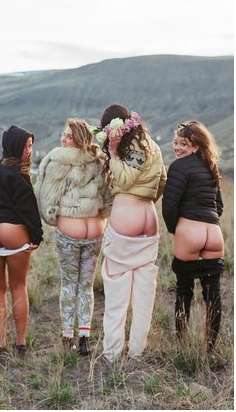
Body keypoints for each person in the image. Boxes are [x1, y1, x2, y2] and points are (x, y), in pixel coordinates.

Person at [92, 104, 166, 365]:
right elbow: (163, 180)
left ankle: (112, 354)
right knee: (144, 294)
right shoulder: (152, 144)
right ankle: (136, 351)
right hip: (149, 223)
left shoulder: (130, 147)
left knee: (116, 292)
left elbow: (124, 181)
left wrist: (112, 153)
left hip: (127, 225)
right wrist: (145, 200)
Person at [36, 118, 111, 356]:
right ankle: (84, 336)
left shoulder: (58, 160)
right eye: (63, 134)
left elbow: (47, 200)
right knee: (85, 285)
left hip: (71, 234)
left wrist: (56, 220)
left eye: (68, 136)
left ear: (78, 138)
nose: (63, 139)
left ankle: (69, 335)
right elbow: (108, 198)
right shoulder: (99, 161)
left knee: (70, 283)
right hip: (95, 233)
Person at [0, 125, 43, 358]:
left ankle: (0, 344)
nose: (29, 150)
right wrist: (36, 235)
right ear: (15, 145)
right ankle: (20, 343)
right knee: (18, 287)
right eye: (26, 145)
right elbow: (27, 208)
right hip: (13, 230)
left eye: (30, 145)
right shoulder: (20, 173)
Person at [162, 121, 224, 352]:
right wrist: (208, 221)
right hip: (214, 234)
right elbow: (219, 206)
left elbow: (169, 206)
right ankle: (209, 347)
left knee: (183, 291)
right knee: (213, 296)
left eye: (183, 143)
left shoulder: (178, 167)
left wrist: (177, 230)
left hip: (190, 231)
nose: (177, 148)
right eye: (176, 143)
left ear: (196, 146)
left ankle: (182, 345)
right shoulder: (211, 166)